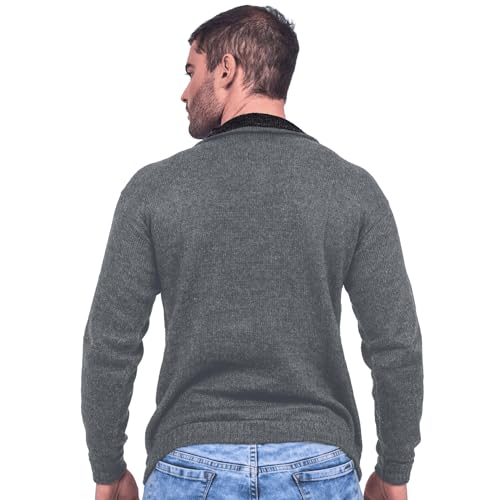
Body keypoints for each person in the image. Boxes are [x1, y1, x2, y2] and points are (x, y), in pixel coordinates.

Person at [81, 5, 423, 500]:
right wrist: (394, 471)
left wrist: (108, 468)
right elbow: (397, 346)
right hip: (319, 464)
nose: (184, 92)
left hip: (188, 463)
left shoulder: (154, 190)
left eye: (191, 71)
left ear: (226, 69)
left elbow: (110, 344)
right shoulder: (351, 189)